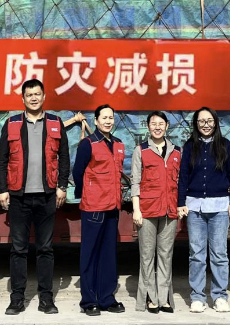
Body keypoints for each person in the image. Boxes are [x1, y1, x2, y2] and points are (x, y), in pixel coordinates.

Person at [0, 79, 70, 315]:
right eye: (29, 95)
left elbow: (64, 156)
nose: (34, 98)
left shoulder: (55, 123)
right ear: (23, 99)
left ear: (44, 96)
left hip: (47, 196)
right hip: (19, 197)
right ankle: (17, 299)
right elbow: (2, 159)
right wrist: (2, 189)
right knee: (18, 249)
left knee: (45, 248)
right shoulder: (12, 124)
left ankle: (46, 299)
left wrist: (62, 186)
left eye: (37, 94)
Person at [177, 107, 230, 314]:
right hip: (195, 207)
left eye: (209, 121)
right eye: (201, 121)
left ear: (215, 123)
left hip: (220, 206)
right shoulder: (190, 146)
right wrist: (181, 202)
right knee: (196, 254)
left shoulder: (225, 145)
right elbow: (183, 176)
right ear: (196, 124)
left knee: (219, 254)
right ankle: (197, 297)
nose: (206, 125)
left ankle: (220, 296)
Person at [72, 104, 126, 316]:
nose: (108, 121)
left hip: (113, 206)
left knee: (108, 254)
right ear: (95, 121)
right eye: (104, 118)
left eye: (111, 117)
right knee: (90, 253)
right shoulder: (88, 144)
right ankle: (89, 300)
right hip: (94, 206)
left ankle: (106, 298)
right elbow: (78, 172)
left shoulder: (119, 144)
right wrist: (86, 193)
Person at [131, 111, 182, 314]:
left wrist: (181, 205)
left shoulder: (177, 151)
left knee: (165, 255)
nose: (157, 127)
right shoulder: (141, 150)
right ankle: (150, 298)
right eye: (153, 124)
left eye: (161, 123)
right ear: (148, 127)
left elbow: (180, 182)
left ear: (167, 126)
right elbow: (135, 182)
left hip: (170, 210)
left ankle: (164, 298)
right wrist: (136, 210)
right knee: (147, 256)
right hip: (147, 210)